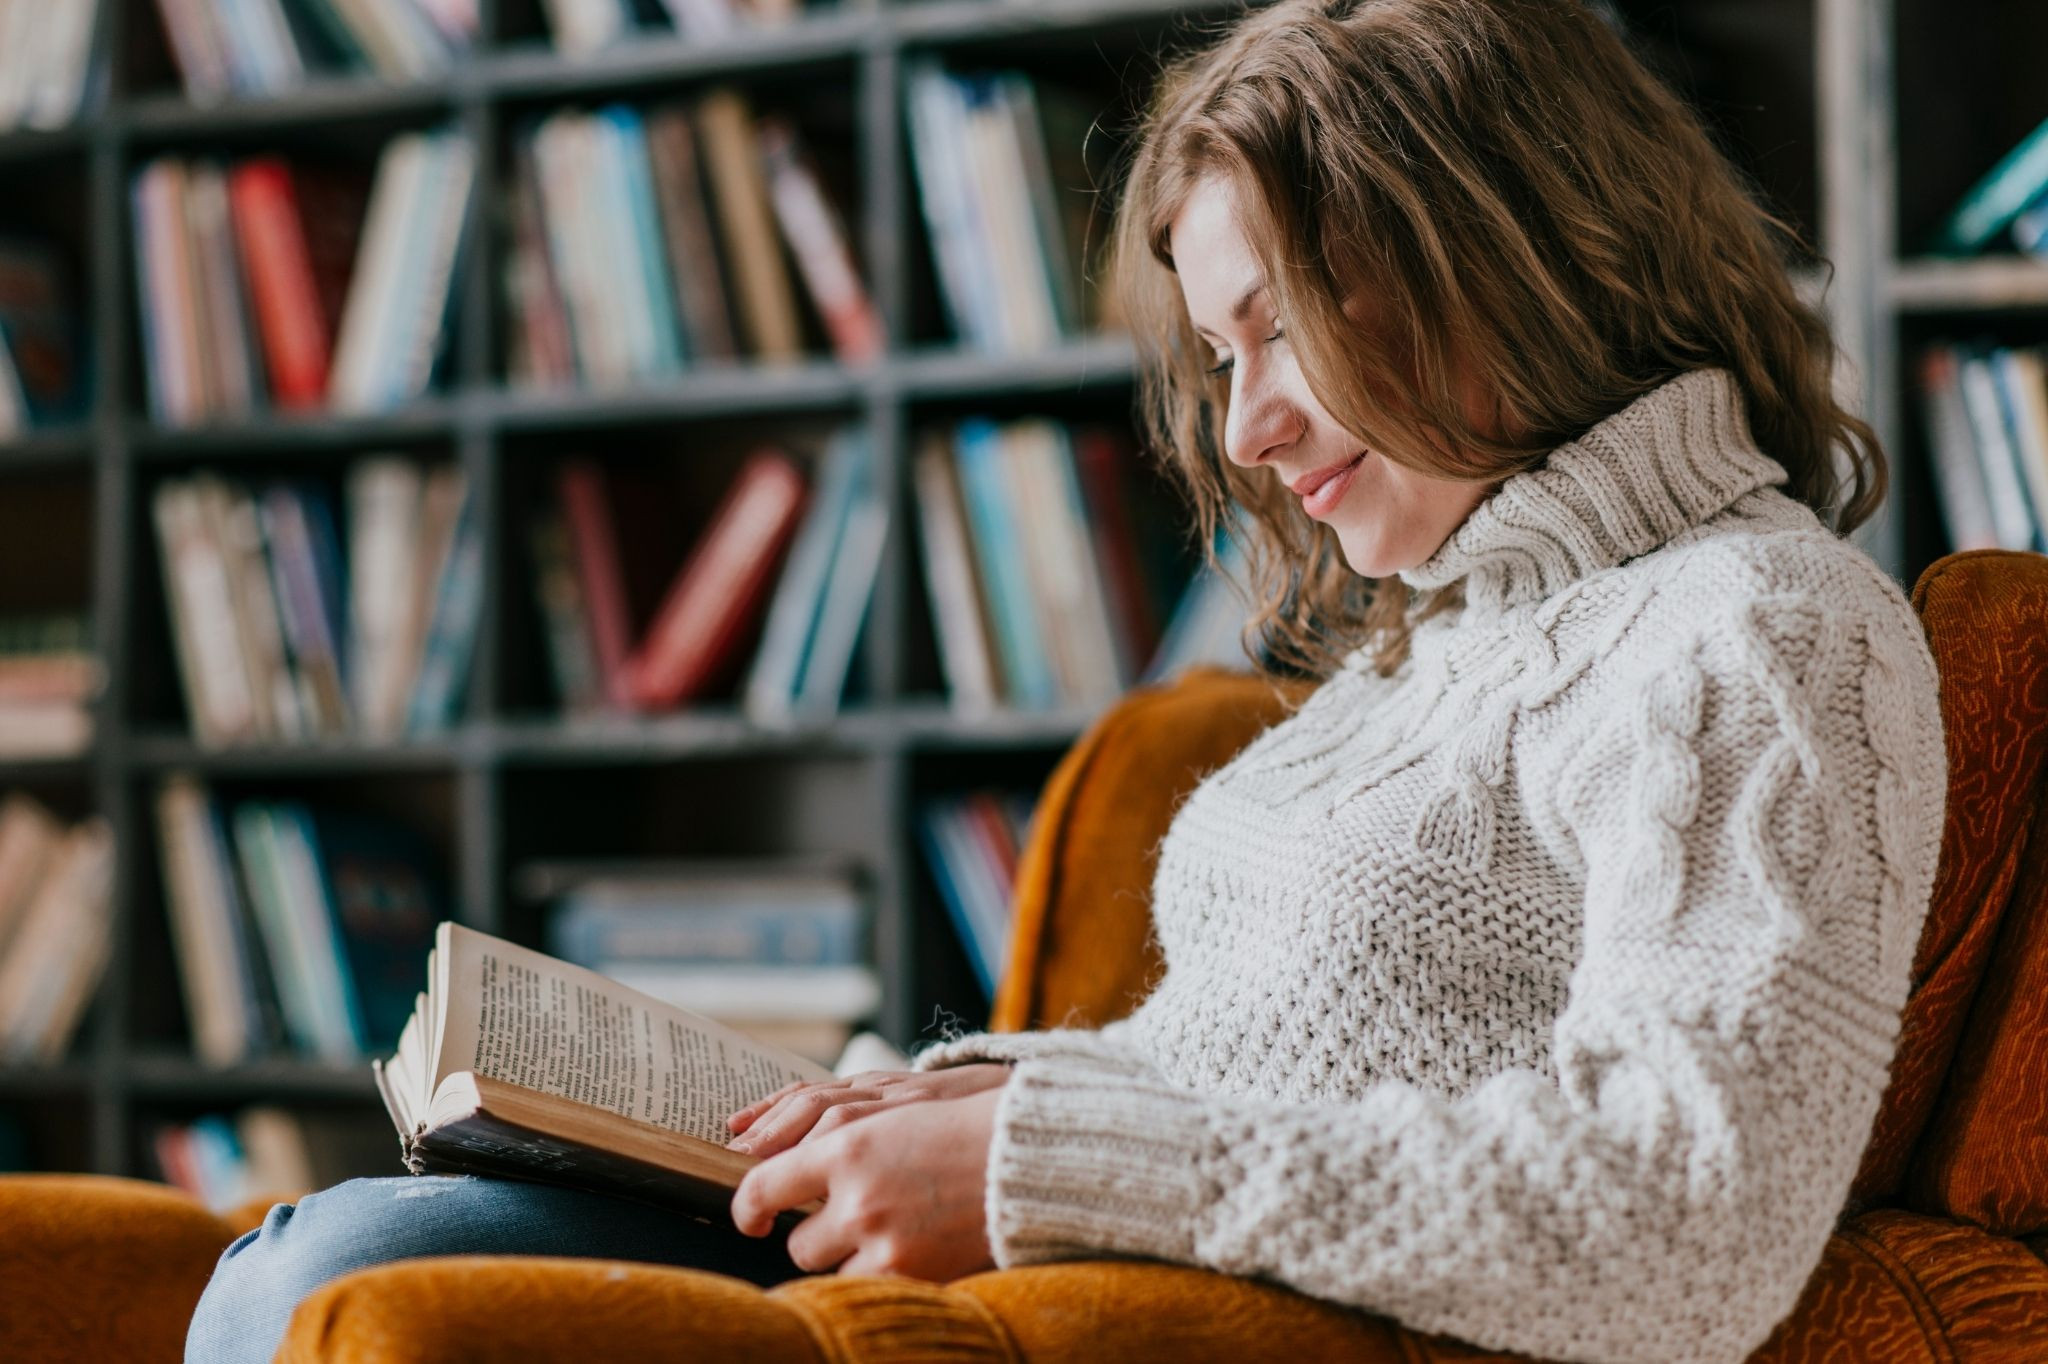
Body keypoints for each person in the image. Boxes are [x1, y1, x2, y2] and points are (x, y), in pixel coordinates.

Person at [185, 2, 1948, 1361]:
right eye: (1219, 352)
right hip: (1071, 1241)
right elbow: (1262, 1056)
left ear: (1503, 247)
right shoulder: (1457, 631)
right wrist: (967, 1090)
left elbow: (1688, 1206)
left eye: (1284, 328)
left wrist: (1042, 1158)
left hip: (1125, 1292)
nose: (1248, 428)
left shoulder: (1752, 628)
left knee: (335, 1277)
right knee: (316, 1248)